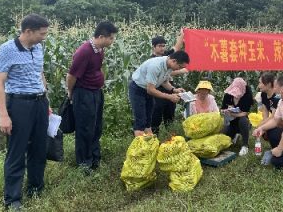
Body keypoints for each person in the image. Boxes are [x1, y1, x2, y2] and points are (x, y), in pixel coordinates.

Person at [0, 14, 50, 210]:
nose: (44, 37)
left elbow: (39, 72)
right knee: (16, 152)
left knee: (39, 148)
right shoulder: (7, 50)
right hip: (19, 104)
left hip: (40, 103)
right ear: (28, 31)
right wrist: (4, 115)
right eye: (42, 34)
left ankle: (36, 188)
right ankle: (13, 199)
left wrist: (46, 100)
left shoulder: (38, 47)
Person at [66, 21, 118, 173]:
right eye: (111, 38)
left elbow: (96, 68)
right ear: (101, 36)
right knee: (85, 128)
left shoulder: (99, 49)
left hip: (95, 92)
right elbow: (71, 75)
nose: (112, 41)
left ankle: (95, 158)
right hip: (84, 94)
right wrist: (71, 92)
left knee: (96, 127)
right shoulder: (85, 51)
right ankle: (84, 163)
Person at [129, 50, 190, 136]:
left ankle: (150, 144)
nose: (178, 70)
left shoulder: (168, 65)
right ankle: (141, 147)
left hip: (147, 90)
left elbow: (164, 82)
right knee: (141, 121)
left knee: (148, 121)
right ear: (174, 61)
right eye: (179, 67)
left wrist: (174, 90)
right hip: (138, 89)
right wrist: (170, 97)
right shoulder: (156, 66)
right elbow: (150, 90)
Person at [150, 31, 188, 134]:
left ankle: (171, 139)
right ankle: (154, 139)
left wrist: (182, 34)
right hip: (157, 89)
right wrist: (181, 71)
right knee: (156, 116)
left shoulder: (167, 56)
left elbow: (177, 47)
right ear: (154, 47)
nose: (162, 48)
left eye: (163, 46)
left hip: (169, 87)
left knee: (170, 115)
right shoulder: (153, 60)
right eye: (159, 46)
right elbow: (164, 75)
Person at [221, 77, 253, 156]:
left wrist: (233, 114)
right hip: (230, 122)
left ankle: (245, 145)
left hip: (242, 123)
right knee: (224, 138)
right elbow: (222, 109)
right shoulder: (228, 96)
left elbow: (245, 113)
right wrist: (225, 111)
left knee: (243, 120)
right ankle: (234, 135)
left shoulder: (247, 96)